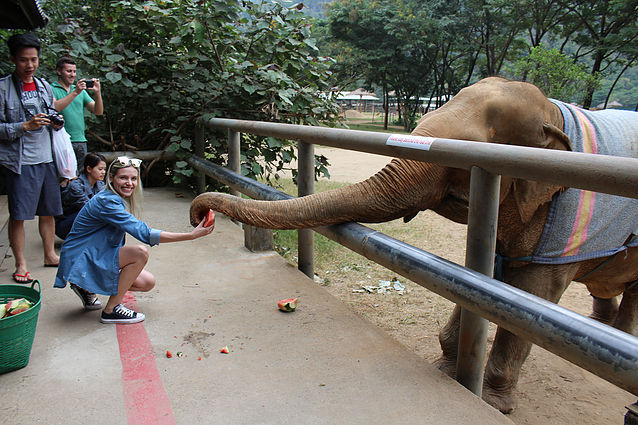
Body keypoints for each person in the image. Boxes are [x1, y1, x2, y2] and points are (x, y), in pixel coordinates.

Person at [54, 156, 215, 323]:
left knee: (147, 282)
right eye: (123, 177)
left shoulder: (113, 197)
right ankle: (111, 310)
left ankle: (85, 287)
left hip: (91, 254)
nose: (129, 183)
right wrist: (191, 235)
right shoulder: (107, 201)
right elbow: (144, 233)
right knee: (139, 253)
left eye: (133, 178)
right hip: (80, 258)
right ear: (111, 178)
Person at [0, 32, 64, 283]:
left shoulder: (44, 85)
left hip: (46, 158)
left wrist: (55, 122)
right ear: (13, 59)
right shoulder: (3, 88)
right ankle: (21, 264)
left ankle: (50, 254)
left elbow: (51, 111)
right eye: (24, 60)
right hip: (20, 161)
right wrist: (24, 126)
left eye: (34, 60)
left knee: (48, 211)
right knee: (19, 214)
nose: (29, 66)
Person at [52, 57, 103, 173]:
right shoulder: (51, 89)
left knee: (79, 175)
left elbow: (98, 111)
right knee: (63, 176)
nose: (73, 75)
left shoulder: (80, 91)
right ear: (59, 71)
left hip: (80, 140)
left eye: (74, 71)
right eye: (69, 71)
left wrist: (97, 92)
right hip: (61, 140)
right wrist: (75, 93)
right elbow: (55, 106)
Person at [54, 152, 106, 240]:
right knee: (93, 212)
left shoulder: (100, 184)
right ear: (89, 169)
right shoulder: (76, 186)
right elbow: (90, 208)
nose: (103, 172)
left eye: (104, 169)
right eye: (100, 169)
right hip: (65, 224)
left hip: (81, 220)